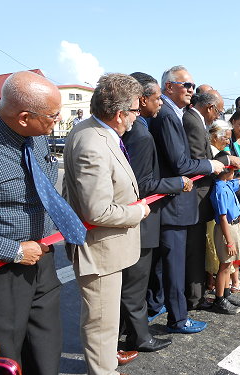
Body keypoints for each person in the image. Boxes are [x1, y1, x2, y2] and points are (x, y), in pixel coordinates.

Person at [0, 70, 76, 375]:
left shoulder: (36, 138)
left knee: (46, 349)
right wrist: (13, 250)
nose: (56, 122)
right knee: (7, 359)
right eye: (52, 116)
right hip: (0, 272)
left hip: (43, 261)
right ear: (24, 117)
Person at [63, 73, 150, 375]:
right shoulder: (93, 143)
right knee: (101, 322)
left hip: (104, 248)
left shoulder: (93, 131)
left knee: (105, 319)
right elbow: (97, 210)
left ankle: (105, 361)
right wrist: (136, 212)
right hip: (99, 251)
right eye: (136, 111)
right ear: (119, 114)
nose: (138, 118)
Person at [148, 65, 224, 334]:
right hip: (174, 202)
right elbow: (181, 163)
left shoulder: (171, 112)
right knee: (174, 264)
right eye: (187, 85)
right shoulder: (169, 115)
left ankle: (157, 306)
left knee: (162, 264)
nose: (192, 90)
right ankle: (178, 318)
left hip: (168, 200)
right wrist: (210, 166)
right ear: (169, 87)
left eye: (193, 86)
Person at [120, 72, 182, 353]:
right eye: (157, 98)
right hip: (141, 221)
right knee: (135, 287)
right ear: (142, 100)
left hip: (137, 219)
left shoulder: (137, 129)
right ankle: (139, 338)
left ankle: (124, 335)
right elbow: (142, 185)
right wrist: (177, 183)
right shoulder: (141, 134)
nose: (161, 103)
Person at [183, 90, 239, 310]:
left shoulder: (193, 120)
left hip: (205, 205)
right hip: (199, 202)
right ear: (209, 108)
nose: (218, 115)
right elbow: (203, 162)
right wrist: (224, 160)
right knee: (203, 254)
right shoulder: (193, 123)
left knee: (214, 257)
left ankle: (218, 294)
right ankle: (199, 298)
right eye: (218, 110)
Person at [210, 151, 240, 314]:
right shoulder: (220, 189)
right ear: (226, 171)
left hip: (234, 225)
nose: (234, 172)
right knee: (224, 266)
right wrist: (229, 241)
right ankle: (219, 299)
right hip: (227, 229)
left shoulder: (226, 184)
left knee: (229, 263)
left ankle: (226, 293)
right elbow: (223, 218)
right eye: (233, 170)